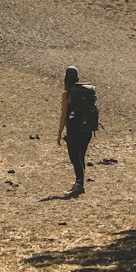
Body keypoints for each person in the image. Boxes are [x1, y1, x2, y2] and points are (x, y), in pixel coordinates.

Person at [58, 65, 92, 195]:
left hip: (74, 130)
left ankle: (79, 184)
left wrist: (60, 132)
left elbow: (63, 115)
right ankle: (79, 183)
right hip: (87, 129)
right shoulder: (85, 91)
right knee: (80, 157)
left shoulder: (67, 94)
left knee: (74, 157)